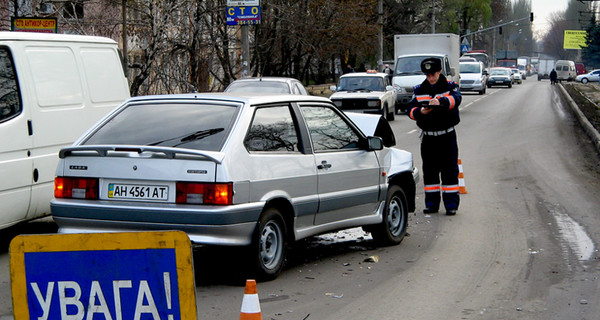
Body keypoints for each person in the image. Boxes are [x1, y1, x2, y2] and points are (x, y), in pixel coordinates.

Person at [407, 57, 462, 215]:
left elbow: (456, 99)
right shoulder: (419, 89)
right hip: (428, 138)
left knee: (449, 171)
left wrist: (442, 101)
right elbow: (410, 109)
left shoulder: (450, 86)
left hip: (447, 137)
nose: (430, 78)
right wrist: (419, 112)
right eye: (428, 75)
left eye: (433, 74)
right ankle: (431, 205)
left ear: (439, 72)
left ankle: (451, 205)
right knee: (429, 171)